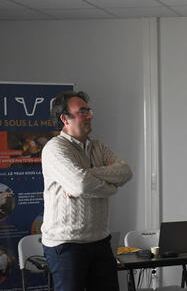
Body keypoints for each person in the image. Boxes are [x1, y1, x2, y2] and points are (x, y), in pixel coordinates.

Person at [41, 91, 132, 291]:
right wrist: (110, 186)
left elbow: (125, 172)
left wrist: (88, 173)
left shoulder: (98, 146)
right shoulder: (54, 149)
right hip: (66, 245)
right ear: (65, 118)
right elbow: (79, 185)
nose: (89, 115)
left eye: (88, 111)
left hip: (100, 241)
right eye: (82, 112)